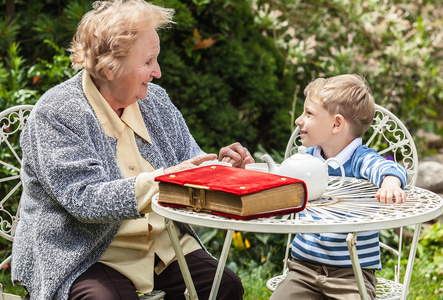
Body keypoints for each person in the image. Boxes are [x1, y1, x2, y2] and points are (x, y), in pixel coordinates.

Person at [11, 1, 253, 299]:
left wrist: (221, 170)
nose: (158, 72)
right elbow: (84, 200)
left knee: (225, 286)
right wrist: (165, 181)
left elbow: (189, 165)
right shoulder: (57, 112)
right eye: (149, 61)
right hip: (87, 251)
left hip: (164, 246)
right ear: (110, 66)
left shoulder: (156, 101)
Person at [270, 74, 408, 300]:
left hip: (351, 275)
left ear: (336, 124)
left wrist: (390, 182)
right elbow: (276, 182)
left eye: (309, 113)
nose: (298, 120)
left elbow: (388, 168)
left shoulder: (359, 160)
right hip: (303, 269)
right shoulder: (305, 161)